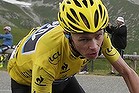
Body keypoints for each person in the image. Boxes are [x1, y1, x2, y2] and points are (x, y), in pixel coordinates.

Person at [7, 0, 139, 93]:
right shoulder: (47, 59)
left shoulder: (100, 35)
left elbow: (127, 73)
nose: (94, 46)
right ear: (68, 35)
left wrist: (93, 38)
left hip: (62, 76)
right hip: (26, 81)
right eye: (84, 39)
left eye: (98, 36)